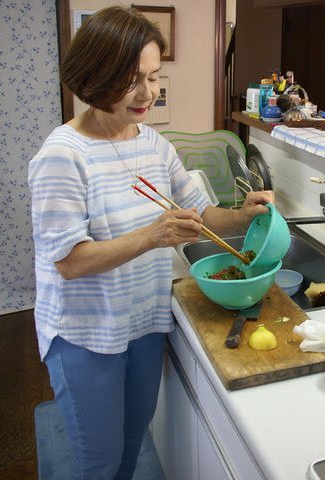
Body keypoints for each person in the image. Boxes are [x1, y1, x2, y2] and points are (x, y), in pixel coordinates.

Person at [28, 6, 273, 479]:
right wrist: (151, 236)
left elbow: (201, 215)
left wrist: (242, 214)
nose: (148, 93)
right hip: (86, 334)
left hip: (144, 322)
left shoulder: (153, 145)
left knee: (130, 444)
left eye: (154, 76)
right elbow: (69, 263)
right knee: (98, 463)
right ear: (95, 76)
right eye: (131, 79)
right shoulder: (62, 156)